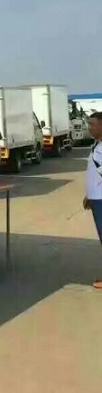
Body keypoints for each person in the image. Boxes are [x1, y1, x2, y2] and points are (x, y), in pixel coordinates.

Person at [82, 111, 102, 289]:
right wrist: (89, 195)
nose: (89, 128)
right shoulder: (96, 145)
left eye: (92, 124)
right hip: (96, 198)